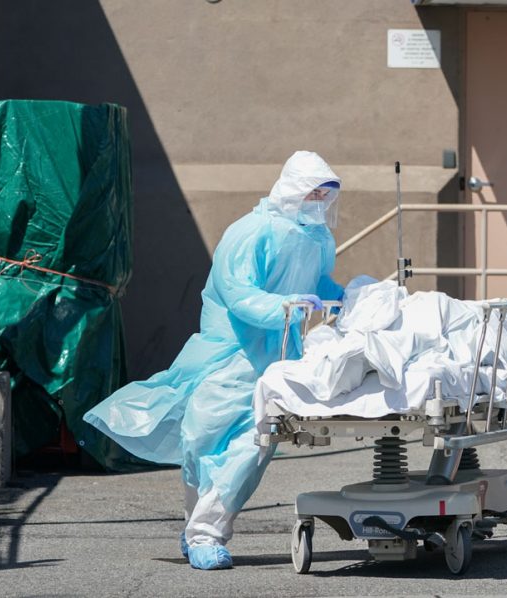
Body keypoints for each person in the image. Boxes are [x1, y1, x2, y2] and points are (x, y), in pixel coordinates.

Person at [84, 150, 348, 570]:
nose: (319, 201)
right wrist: (284, 306)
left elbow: (317, 283)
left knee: (252, 447)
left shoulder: (317, 239)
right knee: (201, 440)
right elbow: (238, 293)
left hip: (277, 360)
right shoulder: (252, 232)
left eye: (325, 194)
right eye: (313, 192)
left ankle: (206, 533)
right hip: (230, 356)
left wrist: (343, 295)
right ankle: (196, 527)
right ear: (293, 189)